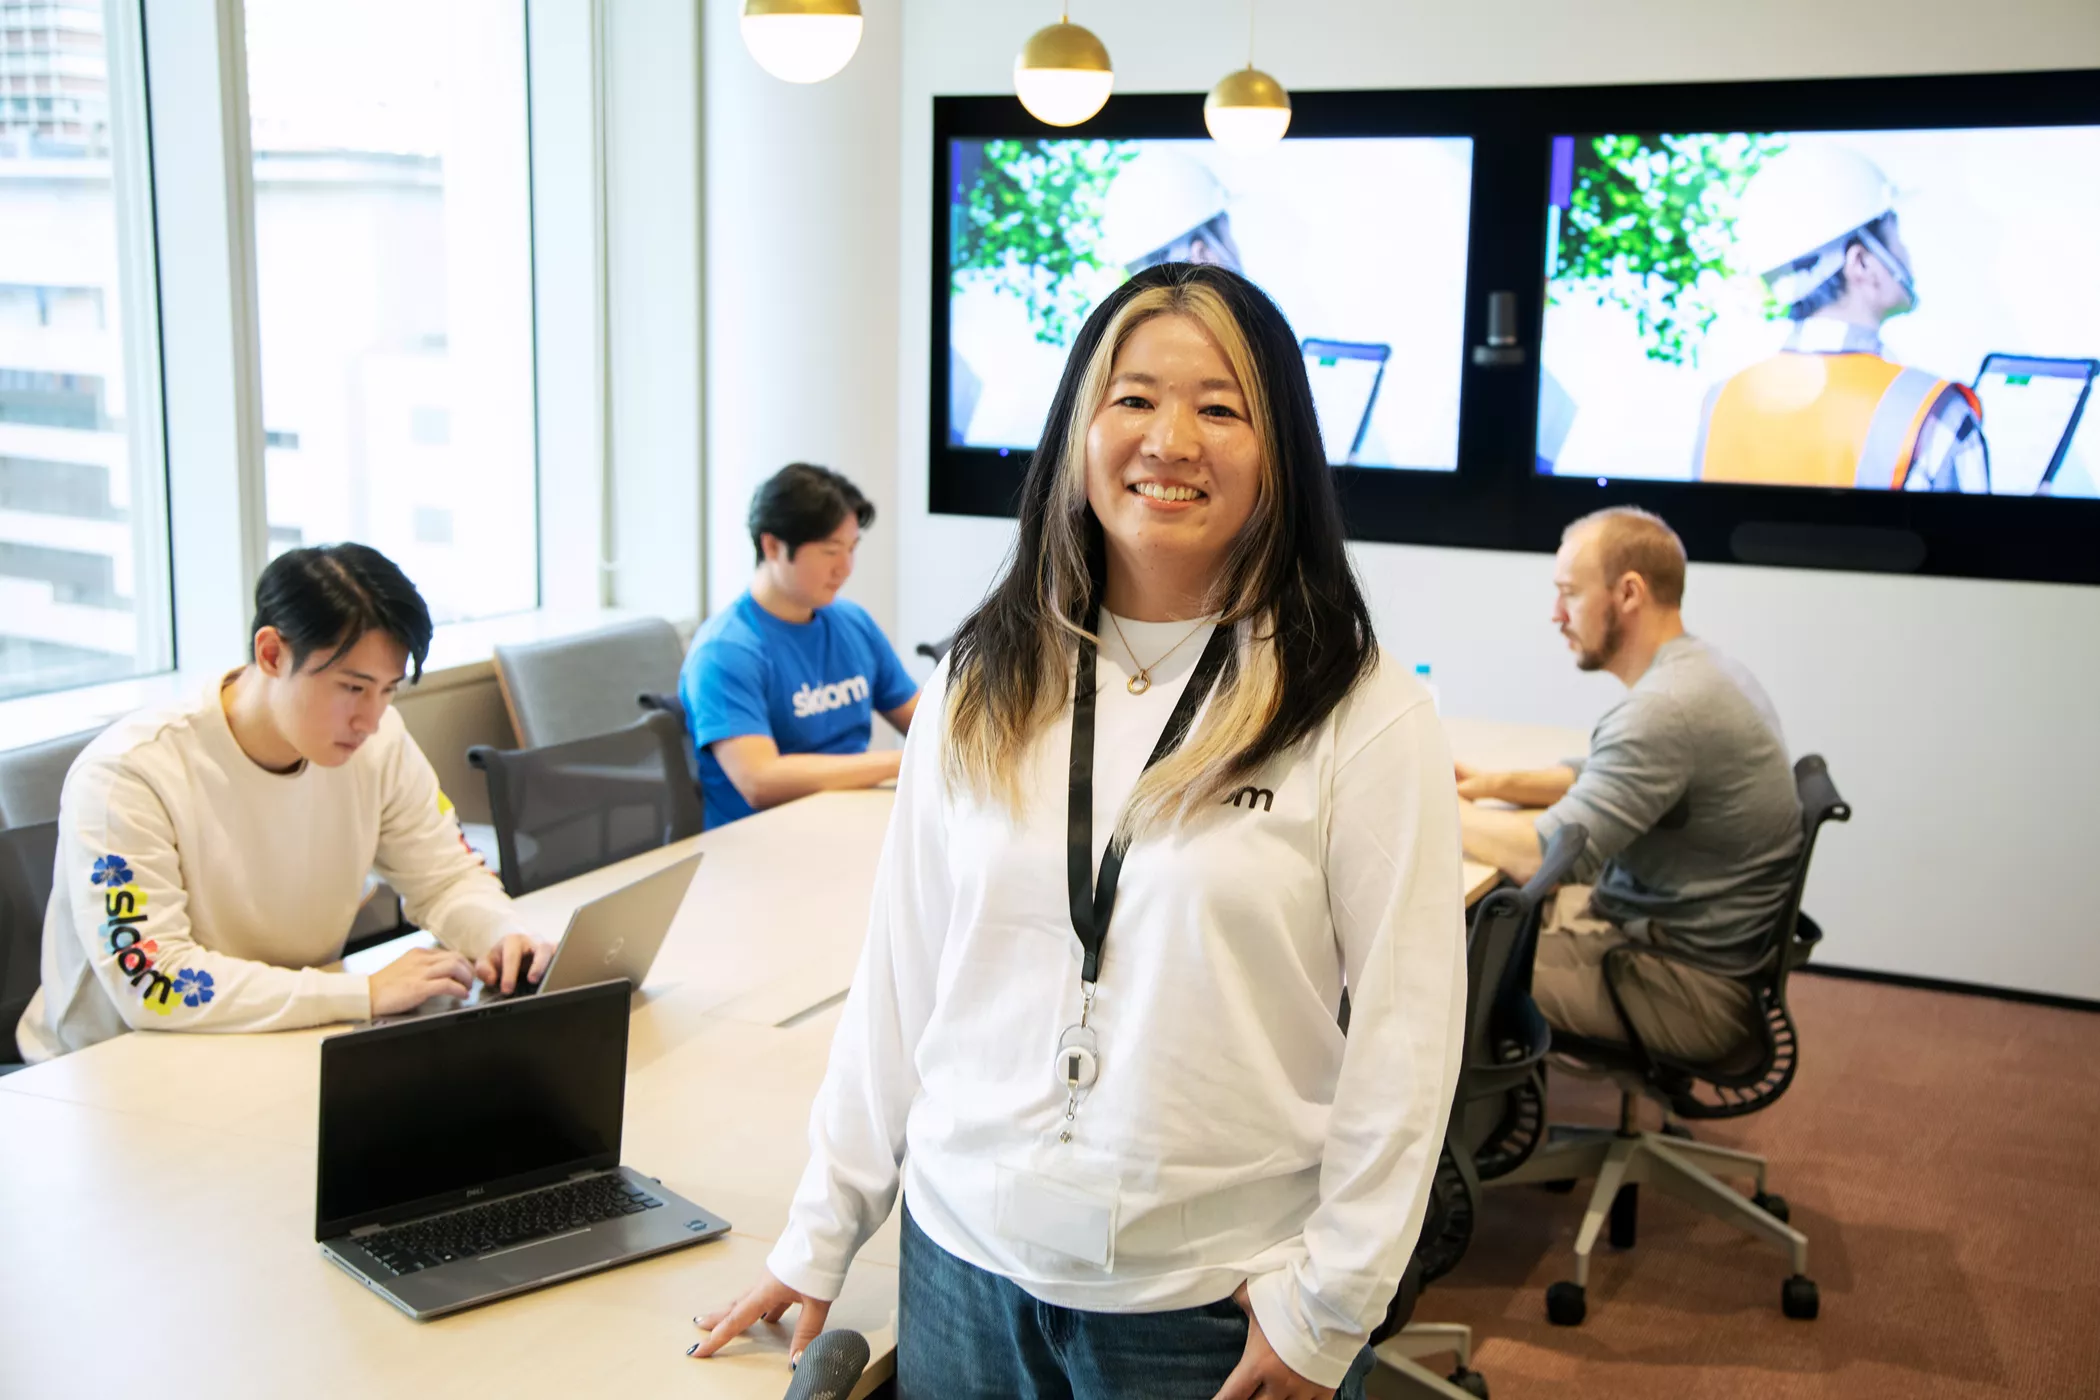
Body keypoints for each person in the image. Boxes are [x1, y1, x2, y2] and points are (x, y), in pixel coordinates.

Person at [690, 263, 1465, 1400]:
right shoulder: (982, 682)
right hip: (962, 1269)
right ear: (1079, 430)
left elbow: (1408, 1037)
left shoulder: (1356, 706)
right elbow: (900, 978)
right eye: (1135, 397)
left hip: (1205, 1297)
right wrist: (818, 1231)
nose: (1171, 439)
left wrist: (1330, 1308)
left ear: (1282, 451)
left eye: (1220, 407)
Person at [16, 544, 552, 1063]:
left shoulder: (378, 740)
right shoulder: (128, 774)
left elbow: (446, 877)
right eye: (352, 687)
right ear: (272, 653)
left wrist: (503, 937)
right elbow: (155, 981)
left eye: (388, 691)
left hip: (277, 1039)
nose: (370, 718)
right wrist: (361, 993)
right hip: (108, 1069)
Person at [1455, 508, 1801, 1067]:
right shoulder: (1702, 670)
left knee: (1431, 972)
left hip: (1682, 986)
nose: (1556, 614)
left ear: (1630, 593)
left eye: (1569, 592)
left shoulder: (1666, 708)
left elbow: (1539, 858)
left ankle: (1469, 1141)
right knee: (1473, 924)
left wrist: (1421, 802)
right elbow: (1612, 770)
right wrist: (1497, 782)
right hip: (1685, 946)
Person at [1693, 142, 1986, 492]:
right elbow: (1978, 545)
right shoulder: (1934, 412)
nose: (1906, 253)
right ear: (1860, 262)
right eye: (1897, 238)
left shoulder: (1720, 403)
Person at [679, 463, 919, 829]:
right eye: (829, 551)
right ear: (773, 546)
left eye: (852, 548)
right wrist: (904, 763)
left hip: (850, 820)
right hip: (761, 842)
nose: (846, 567)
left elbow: (921, 721)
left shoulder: (852, 622)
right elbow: (760, 780)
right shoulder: (725, 650)